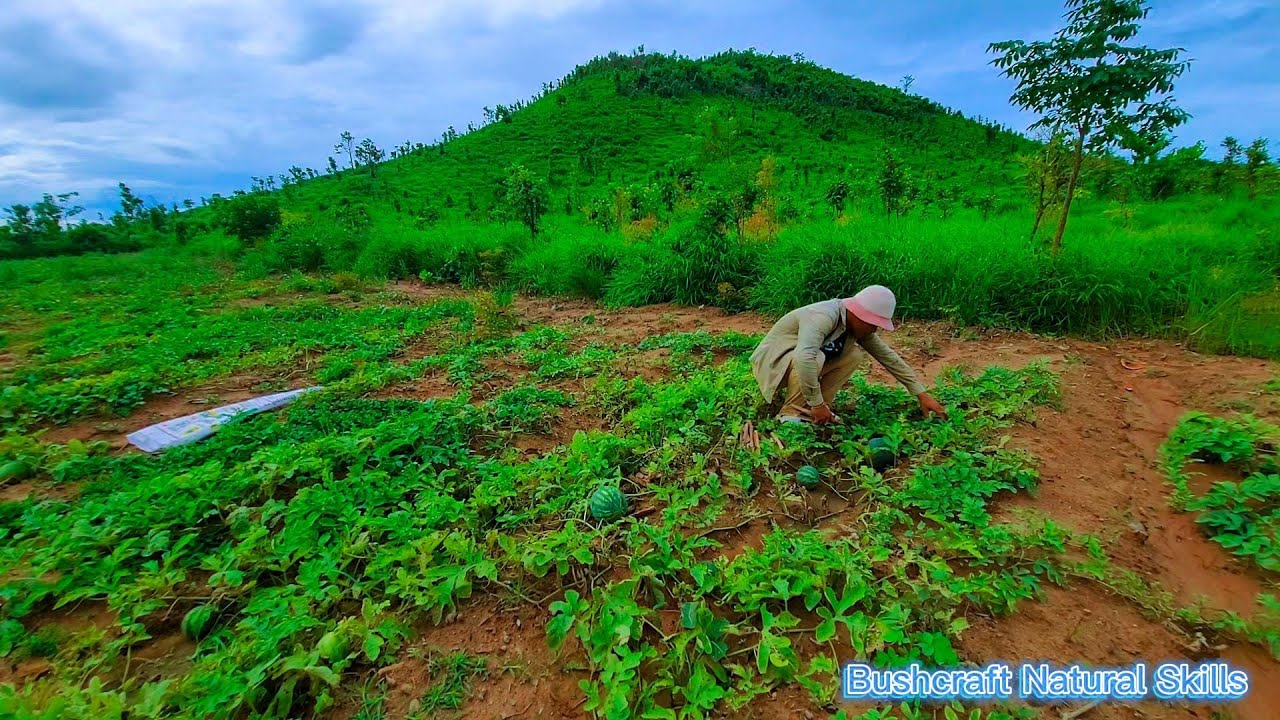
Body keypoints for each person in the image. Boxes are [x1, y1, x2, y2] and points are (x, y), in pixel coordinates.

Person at [749, 285, 947, 425]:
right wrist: (816, 403)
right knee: (813, 357)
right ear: (860, 315)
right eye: (873, 324)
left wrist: (920, 393)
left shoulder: (857, 326)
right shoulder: (823, 316)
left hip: (798, 365)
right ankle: (790, 413)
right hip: (773, 365)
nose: (874, 330)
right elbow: (805, 357)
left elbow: (888, 357)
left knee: (853, 355)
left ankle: (814, 413)